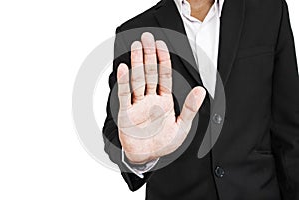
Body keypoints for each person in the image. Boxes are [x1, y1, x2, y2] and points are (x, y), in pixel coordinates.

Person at [103, 0, 299, 199]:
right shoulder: (136, 33)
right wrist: (138, 158)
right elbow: (116, 127)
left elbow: (289, 126)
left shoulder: (270, 11)